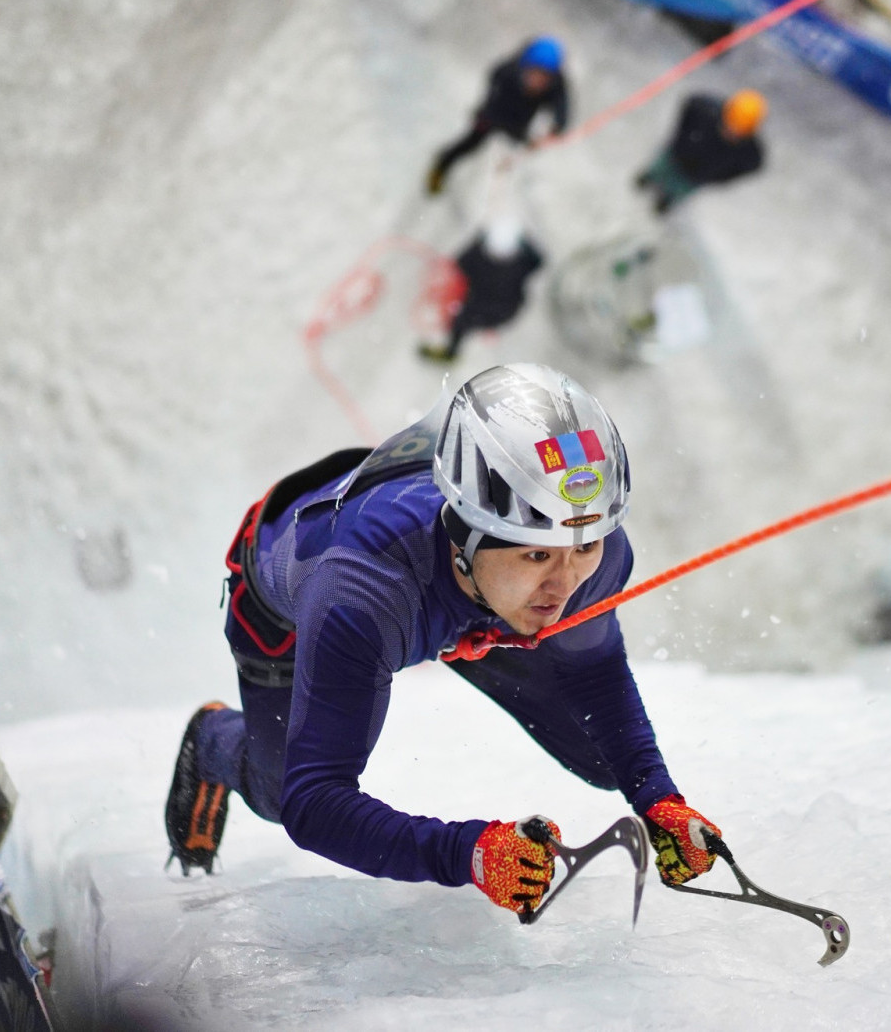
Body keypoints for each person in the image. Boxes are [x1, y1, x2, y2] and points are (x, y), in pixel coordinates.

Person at [164, 363, 723, 919]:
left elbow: (593, 674)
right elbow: (314, 804)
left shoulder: (581, 553)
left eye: (585, 548)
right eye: (535, 554)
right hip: (285, 601)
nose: (566, 583)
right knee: (277, 792)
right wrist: (469, 853)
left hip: (464, 595)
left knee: (606, 756)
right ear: (466, 535)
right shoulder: (361, 590)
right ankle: (213, 739)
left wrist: (658, 797)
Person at [426, 37, 571, 196]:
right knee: (469, 145)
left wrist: (557, 125)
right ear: (525, 67)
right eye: (534, 74)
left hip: (518, 123)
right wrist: (484, 110)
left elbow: (561, 106)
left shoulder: (556, 85)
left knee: (518, 154)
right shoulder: (509, 72)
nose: (538, 81)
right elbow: (493, 80)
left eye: (544, 78)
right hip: (494, 116)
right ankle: (441, 166)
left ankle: (500, 184)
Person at [417, 217, 544, 363]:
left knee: (461, 320)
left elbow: (459, 262)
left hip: (489, 309)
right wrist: (525, 241)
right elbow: (539, 261)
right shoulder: (521, 263)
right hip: (503, 310)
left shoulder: (480, 259)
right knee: (462, 319)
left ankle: (451, 352)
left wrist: (480, 239)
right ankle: (451, 351)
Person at [634, 90, 767, 215]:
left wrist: (716, 178)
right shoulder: (706, 111)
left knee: (671, 197)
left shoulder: (750, 151)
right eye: (731, 125)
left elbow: (753, 167)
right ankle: (643, 183)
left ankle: (662, 206)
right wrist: (679, 138)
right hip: (675, 155)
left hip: (693, 178)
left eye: (739, 132)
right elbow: (690, 104)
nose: (732, 132)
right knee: (653, 173)